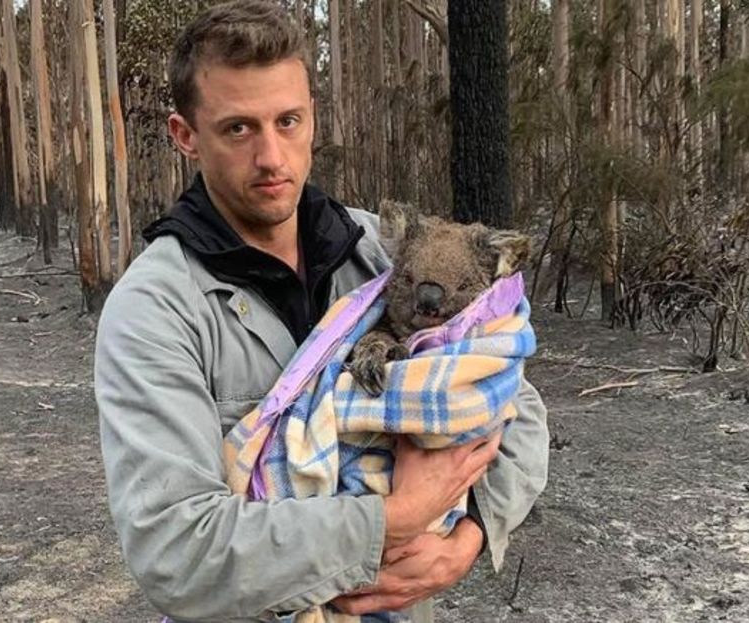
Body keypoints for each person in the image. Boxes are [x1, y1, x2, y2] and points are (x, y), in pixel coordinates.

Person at [94, 2, 549, 621]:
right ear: (185, 136)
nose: (273, 158)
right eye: (238, 129)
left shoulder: (380, 253)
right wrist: (392, 521)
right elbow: (178, 553)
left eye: (288, 121)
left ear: (312, 116)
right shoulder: (155, 311)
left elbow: (517, 408)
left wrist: (468, 538)